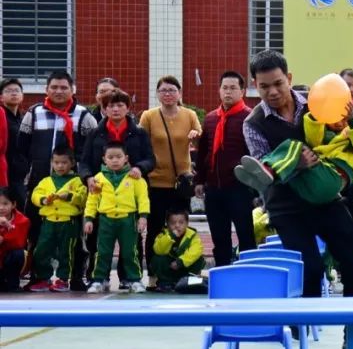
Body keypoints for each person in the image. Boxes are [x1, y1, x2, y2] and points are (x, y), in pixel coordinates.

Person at [241, 51, 353, 340]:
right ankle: (301, 329)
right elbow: (263, 164)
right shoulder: (253, 123)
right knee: (309, 267)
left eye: (277, 83)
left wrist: (351, 124)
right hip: (286, 205)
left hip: (325, 196)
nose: (272, 92)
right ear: (255, 85)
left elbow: (348, 139)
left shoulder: (317, 101)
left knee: (351, 257)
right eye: (264, 87)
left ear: (289, 78)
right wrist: (295, 164)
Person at [17, 70, 97, 289]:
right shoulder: (33, 113)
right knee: (37, 233)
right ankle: (38, 276)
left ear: (73, 89)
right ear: (46, 89)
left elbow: (92, 151)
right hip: (40, 184)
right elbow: (21, 148)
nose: (59, 91)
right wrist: (31, 172)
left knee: (76, 236)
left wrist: (82, 173)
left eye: (64, 87)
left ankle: (75, 277)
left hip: (74, 185)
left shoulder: (83, 115)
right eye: (54, 87)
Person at [236, 99, 353, 206]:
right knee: (293, 176)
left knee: (295, 146)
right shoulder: (332, 135)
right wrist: (316, 116)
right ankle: (264, 181)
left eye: (345, 119)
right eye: (338, 117)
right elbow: (313, 139)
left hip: (331, 177)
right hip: (316, 185)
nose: (341, 122)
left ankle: (268, 169)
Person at [80, 90, 155, 285]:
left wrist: (140, 167)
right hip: (102, 191)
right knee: (98, 241)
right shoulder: (96, 133)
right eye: (111, 105)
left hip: (129, 189)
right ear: (104, 109)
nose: (115, 109)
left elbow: (150, 159)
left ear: (128, 108)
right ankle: (97, 278)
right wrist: (88, 178)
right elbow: (85, 161)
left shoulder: (138, 133)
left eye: (120, 105)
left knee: (131, 243)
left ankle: (129, 278)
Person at [139, 76, 201, 276]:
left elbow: (200, 140)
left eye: (172, 90)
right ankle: (155, 274)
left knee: (180, 228)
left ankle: (180, 270)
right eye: (163, 90)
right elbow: (142, 145)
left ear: (180, 94)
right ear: (157, 94)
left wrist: (195, 136)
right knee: (156, 230)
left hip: (181, 183)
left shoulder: (190, 114)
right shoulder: (148, 116)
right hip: (156, 182)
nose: (168, 94)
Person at [194, 71, 254, 267]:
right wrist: (200, 181)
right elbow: (204, 151)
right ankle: (222, 273)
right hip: (214, 189)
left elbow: (256, 154)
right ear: (219, 90)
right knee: (219, 237)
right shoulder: (211, 118)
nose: (228, 92)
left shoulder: (250, 118)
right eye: (225, 88)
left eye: (233, 88)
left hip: (240, 188)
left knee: (246, 235)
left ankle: (249, 274)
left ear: (242, 91)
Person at [83, 142, 150, 293]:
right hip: (106, 220)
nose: (114, 160)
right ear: (104, 159)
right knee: (103, 251)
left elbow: (143, 198)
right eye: (110, 157)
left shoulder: (135, 177)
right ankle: (99, 280)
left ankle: (134, 280)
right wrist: (88, 218)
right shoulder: (98, 178)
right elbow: (92, 200)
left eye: (118, 157)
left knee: (130, 251)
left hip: (128, 219)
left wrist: (143, 217)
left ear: (126, 158)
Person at [26, 146, 86, 292]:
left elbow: (83, 197)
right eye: (56, 162)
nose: (60, 166)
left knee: (67, 251)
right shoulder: (46, 181)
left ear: (72, 163)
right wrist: (43, 200)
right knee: (42, 249)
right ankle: (43, 278)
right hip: (49, 221)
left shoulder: (77, 181)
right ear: (52, 163)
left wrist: (70, 196)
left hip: (69, 221)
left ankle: (63, 279)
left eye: (64, 162)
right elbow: (35, 195)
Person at [149, 209, 206, 292]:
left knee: (199, 259)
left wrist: (181, 262)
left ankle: (191, 280)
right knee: (157, 259)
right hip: (170, 268)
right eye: (173, 223)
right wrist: (170, 237)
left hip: (184, 266)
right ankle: (166, 282)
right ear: (167, 224)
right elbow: (158, 250)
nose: (177, 225)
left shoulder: (193, 235)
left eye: (181, 222)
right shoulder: (163, 234)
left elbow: (196, 251)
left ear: (187, 223)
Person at [2, 78, 29, 206]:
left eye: (17, 90)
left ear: (22, 96)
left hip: (20, 174)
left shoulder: (23, 118)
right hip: (6, 174)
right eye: (8, 91)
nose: (13, 93)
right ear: (1, 97)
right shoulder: (2, 117)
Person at [0, 186, 29, 292]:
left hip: (8, 259)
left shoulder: (22, 220)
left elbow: (18, 243)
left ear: (14, 204)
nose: (1, 208)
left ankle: (13, 283)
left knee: (18, 253)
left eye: (5, 203)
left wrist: (3, 237)